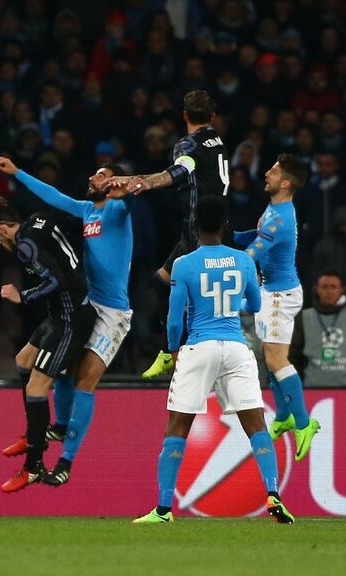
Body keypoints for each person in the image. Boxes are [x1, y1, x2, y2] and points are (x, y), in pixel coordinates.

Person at [133, 195, 293, 524]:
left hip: (199, 347)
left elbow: (175, 318)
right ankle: (274, 493)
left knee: (177, 426)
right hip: (236, 346)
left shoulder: (184, 264)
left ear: (195, 227)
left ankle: (163, 510)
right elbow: (254, 304)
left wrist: (173, 348)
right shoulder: (243, 261)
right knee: (256, 426)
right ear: (225, 225)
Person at [0, 156, 133, 486]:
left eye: (102, 175)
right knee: (63, 370)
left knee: (85, 379)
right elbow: (52, 195)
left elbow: (130, 194)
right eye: (94, 171)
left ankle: (66, 461)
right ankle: (54, 428)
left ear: (114, 184)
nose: (93, 176)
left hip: (112, 312)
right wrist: (18, 173)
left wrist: (120, 187)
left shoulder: (118, 210)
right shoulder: (87, 210)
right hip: (86, 302)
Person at [106, 90, 229, 378]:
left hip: (198, 229)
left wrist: (143, 184)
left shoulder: (188, 144)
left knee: (182, 290)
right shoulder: (218, 141)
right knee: (162, 282)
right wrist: (126, 179)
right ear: (212, 117)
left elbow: (179, 171)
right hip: (216, 222)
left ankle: (180, 352)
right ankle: (171, 349)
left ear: (185, 115)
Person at [0, 198, 96, 493]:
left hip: (71, 318)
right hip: (61, 312)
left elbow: (54, 281)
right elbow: (74, 228)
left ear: (4, 228)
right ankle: (35, 435)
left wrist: (23, 295)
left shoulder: (24, 245)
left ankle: (33, 466)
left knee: (36, 388)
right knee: (22, 360)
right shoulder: (39, 218)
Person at [232, 154, 319, 461]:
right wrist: (225, 235)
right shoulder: (275, 209)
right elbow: (253, 238)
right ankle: (283, 415)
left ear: (285, 183)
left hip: (281, 296)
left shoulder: (281, 220)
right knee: (270, 358)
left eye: (272, 170)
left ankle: (305, 423)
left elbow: (250, 256)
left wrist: (220, 262)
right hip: (272, 291)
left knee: (277, 359)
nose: (266, 172)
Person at [290, 270, 346, 388]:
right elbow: (292, 358)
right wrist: (300, 385)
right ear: (316, 289)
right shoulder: (304, 317)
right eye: (324, 287)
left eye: (333, 287)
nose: (328, 291)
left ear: (342, 289)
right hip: (312, 390)